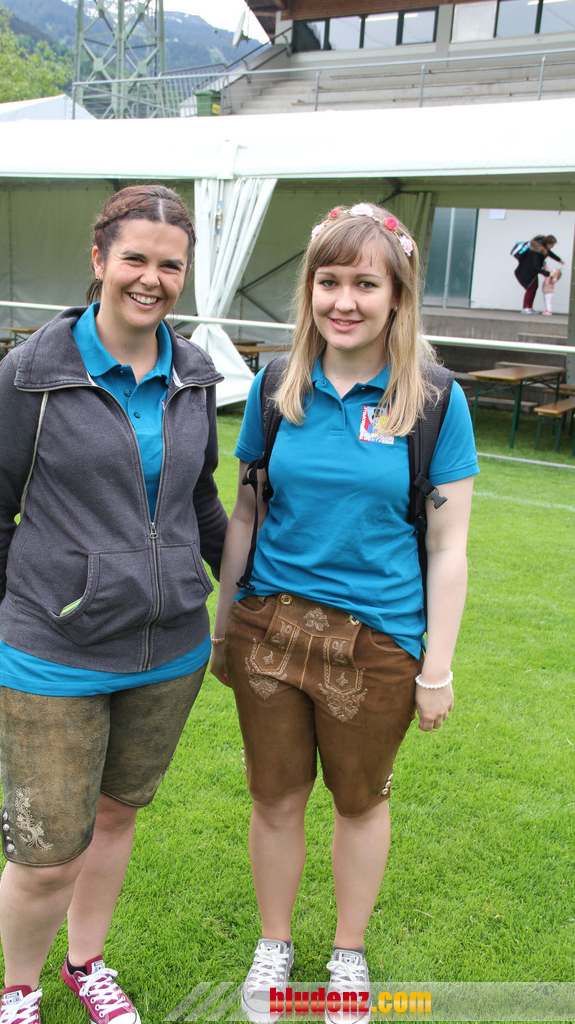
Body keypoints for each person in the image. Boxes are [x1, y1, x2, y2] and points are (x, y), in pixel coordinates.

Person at [0, 184, 228, 1024]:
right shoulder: (32, 374)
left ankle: (86, 964)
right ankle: (20, 991)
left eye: (169, 265)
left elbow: (200, 498)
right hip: (53, 650)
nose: (151, 279)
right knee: (46, 852)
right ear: (99, 260)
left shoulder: (193, 373)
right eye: (134, 259)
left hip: (170, 651)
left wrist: (247, 584)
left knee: (115, 818)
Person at [209, 202, 478, 1024]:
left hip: (377, 644)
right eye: (328, 281)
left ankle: (347, 955)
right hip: (268, 628)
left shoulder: (433, 400)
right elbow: (247, 513)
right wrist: (223, 627)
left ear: (397, 295)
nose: (344, 301)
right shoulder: (275, 385)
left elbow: (448, 548)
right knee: (274, 797)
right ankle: (274, 944)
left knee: (359, 802)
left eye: (365, 283)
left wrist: (436, 670)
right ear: (309, 289)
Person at [513, 234, 564, 313]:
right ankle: (526, 308)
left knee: (533, 287)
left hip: (530, 271)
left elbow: (549, 253)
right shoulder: (536, 252)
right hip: (526, 272)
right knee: (531, 288)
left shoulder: (541, 247)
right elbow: (536, 267)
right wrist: (548, 273)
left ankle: (529, 307)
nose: (552, 247)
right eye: (552, 245)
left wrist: (558, 259)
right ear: (548, 243)